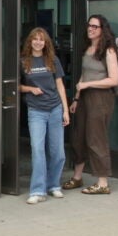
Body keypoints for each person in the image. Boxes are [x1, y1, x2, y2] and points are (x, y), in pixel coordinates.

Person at [63, 15, 118, 195]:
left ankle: (102, 182)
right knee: (78, 137)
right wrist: (77, 98)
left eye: (95, 26)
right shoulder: (88, 49)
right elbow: (84, 75)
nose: (90, 29)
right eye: (89, 25)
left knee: (96, 138)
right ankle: (77, 177)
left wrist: (87, 85)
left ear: (103, 29)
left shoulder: (109, 51)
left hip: (101, 98)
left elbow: (114, 80)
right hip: (85, 98)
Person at [18, 28, 71, 204]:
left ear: (46, 42)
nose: (38, 42)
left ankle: (53, 185)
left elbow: (60, 86)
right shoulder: (24, 61)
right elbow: (15, 86)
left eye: (42, 40)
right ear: (30, 42)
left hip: (55, 108)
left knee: (58, 152)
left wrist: (65, 109)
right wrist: (30, 89)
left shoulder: (52, 59)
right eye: (35, 39)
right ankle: (37, 190)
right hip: (36, 111)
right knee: (37, 149)